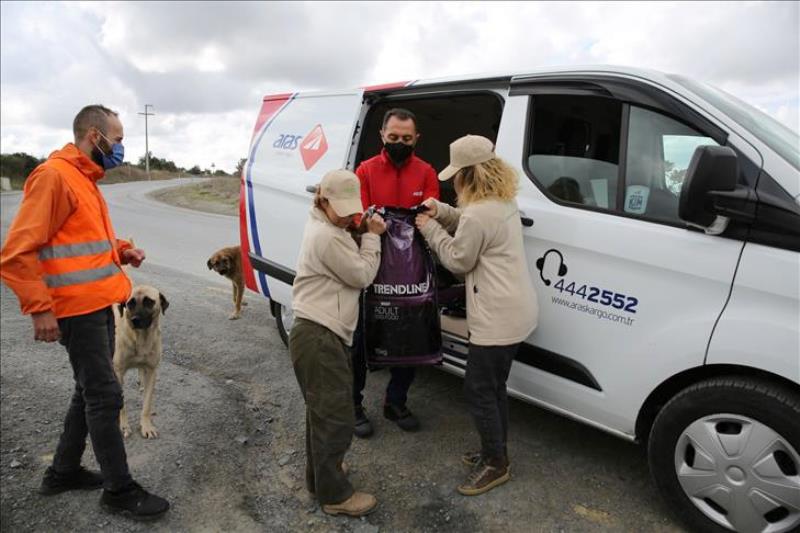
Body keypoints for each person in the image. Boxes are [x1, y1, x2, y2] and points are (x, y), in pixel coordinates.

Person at [0, 105, 170, 520]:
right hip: (76, 311)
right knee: (106, 395)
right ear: (95, 136)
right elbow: (15, 254)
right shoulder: (54, 177)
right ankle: (119, 490)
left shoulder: (82, 178)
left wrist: (120, 250)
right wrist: (40, 309)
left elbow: (80, 240)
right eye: (118, 137)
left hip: (99, 306)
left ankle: (63, 471)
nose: (121, 146)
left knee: (87, 389)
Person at [415, 135, 538, 496]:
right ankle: (493, 450)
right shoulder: (502, 201)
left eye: (457, 174)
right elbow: (470, 222)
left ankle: (496, 464)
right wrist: (441, 210)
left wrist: (430, 229)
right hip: (517, 310)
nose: (453, 181)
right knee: (494, 387)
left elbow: (457, 260)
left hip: (496, 318)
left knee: (479, 390)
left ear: (469, 174)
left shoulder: (480, 213)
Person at [290, 169, 386, 517]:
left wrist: (354, 228)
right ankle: (335, 496)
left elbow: (346, 243)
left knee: (322, 412)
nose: (349, 215)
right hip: (319, 334)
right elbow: (361, 275)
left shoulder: (330, 227)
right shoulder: (326, 237)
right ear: (323, 200)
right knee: (334, 417)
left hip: (320, 332)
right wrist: (373, 237)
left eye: (352, 209)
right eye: (342, 209)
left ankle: (320, 477)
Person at [352, 107, 440, 437]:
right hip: (372, 267)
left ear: (416, 138)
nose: (399, 142)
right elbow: (357, 217)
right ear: (382, 137)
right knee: (361, 339)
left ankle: (395, 402)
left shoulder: (427, 172)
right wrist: (369, 223)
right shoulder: (365, 171)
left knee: (412, 338)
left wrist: (430, 216)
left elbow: (434, 216)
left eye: (406, 138)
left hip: (413, 273)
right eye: (393, 137)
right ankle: (353, 405)